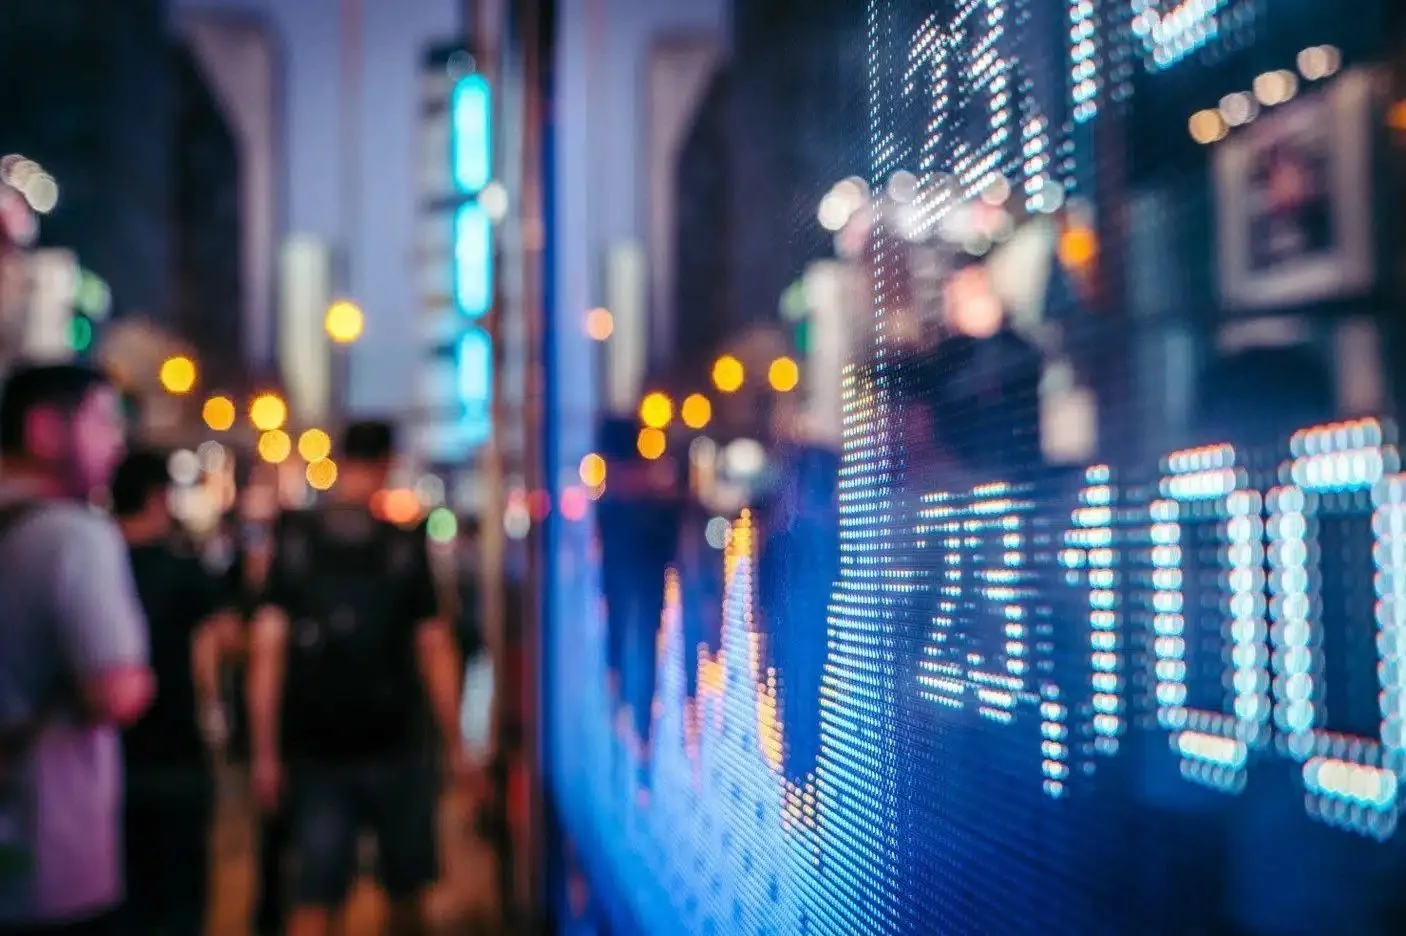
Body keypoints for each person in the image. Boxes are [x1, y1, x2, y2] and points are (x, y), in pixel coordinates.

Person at [247, 420, 476, 936]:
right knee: (408, 892)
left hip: (317, 746)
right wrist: (457, 743)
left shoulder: (295, 541)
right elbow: (434, 648)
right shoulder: (404, 546)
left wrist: (264, 752)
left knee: (315, 895)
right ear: (387, 464)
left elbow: (267, 652)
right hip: (397, 742)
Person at [0, 363, 151, 936]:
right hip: (50, 854)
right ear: (45, 430)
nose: (117, 443)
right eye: (104, 422)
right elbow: (116, 691)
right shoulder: (74, 536)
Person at [110, 450, 237, 936]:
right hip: (177, 750)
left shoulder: (96, 565)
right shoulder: (184, 570)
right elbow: (225, 640)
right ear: (159, 499)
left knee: (125, 899)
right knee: (180, 898)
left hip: (109, 761)